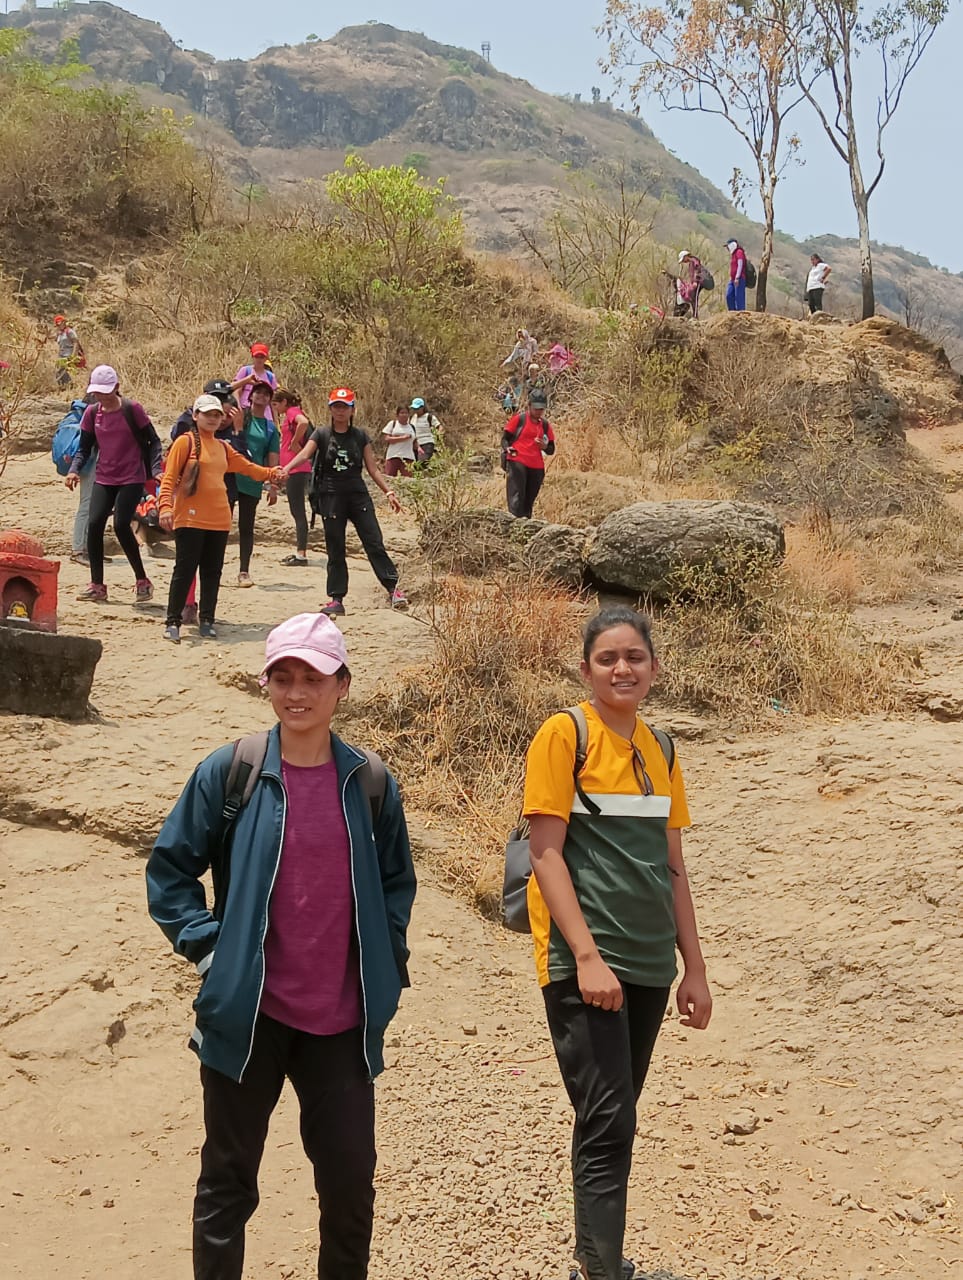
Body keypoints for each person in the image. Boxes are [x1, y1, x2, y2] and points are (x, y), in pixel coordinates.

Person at [146, 611, 416, 1279]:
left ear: (342, 686)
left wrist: (384, 963)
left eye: (313, 678)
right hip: (248, 1016)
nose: (297, 693)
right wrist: (210, 951)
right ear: (266, 684)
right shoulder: (230, 771)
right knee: (227, 1185)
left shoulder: (369, 782)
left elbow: (395, 886)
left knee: (350, 1188)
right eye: (283, 677)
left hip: (340, 1024)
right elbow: (171, 870)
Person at [522, 607, 712, 1280]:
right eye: (607, 659)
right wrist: (584, 956)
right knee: (607, 1118)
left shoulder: (659, 748)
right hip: (587, 962)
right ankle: (600, 1271)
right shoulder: (564, 734)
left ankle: (598, 1262)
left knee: (615, 1115)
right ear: (585, 669)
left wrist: (694, 967)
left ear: (654, 669)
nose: (621, 668)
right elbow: (545, 856)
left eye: (634, 657)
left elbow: (673, 866)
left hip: (649, 961)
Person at [158, 394, 285, 643]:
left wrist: (272, 473)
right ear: (195, 416)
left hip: (218, 518)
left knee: (212, 572)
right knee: (184, 570)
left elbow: (248, 468)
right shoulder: (185, 443)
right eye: (207, 414)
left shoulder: (223, 447)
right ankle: (173, 621)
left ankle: (207, 619)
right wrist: (165, 507)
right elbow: (169, 477)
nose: (213, 419)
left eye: (217, 415)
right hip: (190, 518)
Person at [280, 387, 406, 616]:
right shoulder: (321, 434)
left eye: (344, 406)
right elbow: (305, 454)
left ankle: (394, 589)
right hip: (330, 496)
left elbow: (372, 469)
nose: (340, 411)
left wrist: (388, 492)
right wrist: (286, 469)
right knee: (335, 548)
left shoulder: (360, 436)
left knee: (374, 541)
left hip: (357, 495)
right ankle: (336, 599)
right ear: (330, 408)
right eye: (336, 406)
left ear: (352, 410)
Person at [65, 365, 162, 603]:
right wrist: (74, 470)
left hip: (131, 476)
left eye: (105, 391)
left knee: (120, 524)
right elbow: (85, 448)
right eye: (97, 392)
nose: (101, 396)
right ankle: (97, 585)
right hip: (105, 476)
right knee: (95, 523)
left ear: (116, 388)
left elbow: (154, 441)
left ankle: (142, 580)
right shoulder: (91, 413)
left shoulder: (132, 410)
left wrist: (157, 469)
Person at [235, 381, 281, 587]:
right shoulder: (240, 416)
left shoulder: (270, 429)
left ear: (270, 400)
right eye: (258, 392)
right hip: (229, 477)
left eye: (266, 394)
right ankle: (213, 565)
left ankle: (243, 571)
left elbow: (272, 458)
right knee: (218, 524)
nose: (261, 396)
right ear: (250, 396)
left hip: (252, 481)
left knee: (246, 526)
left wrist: (273, 485)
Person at [502, 388, 555, 520]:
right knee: (516, 499)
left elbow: (551, 449)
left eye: (541, 409)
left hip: (536, 466)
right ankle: (514, 526)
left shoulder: (545, 425)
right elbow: (505, 438)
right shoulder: (519, 419)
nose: (538, 412)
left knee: (528, 501)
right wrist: (507, 448)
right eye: (536, 408)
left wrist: (544, 446)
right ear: (529, 405)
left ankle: (525, 527)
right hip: (517, 460)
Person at [274, 387, 313, 567]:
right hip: (295, 468)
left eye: (276, 404)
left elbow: (303, 422)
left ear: (284, 402)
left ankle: (301, 554)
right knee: (296, 510)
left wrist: (295, 442)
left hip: (296, 468)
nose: (275, 408)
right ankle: (300, 552)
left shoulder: (292, 412)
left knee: (298, 511)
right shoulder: (291, 413)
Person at [232, 342, 278, 415]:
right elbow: (236, 390)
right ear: (252, 357)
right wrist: (238, 408)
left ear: (266, 358)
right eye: (257, 356)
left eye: (262, 357)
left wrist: (275, 421)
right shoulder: (245, 371)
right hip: (246, 410)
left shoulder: (270, 376)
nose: (259, 359)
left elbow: (273, 400)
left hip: (265, 413)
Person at [382, 404, 417, 478]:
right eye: (402, 413)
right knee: (389, 478)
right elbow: (387, 438)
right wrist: (402, 438)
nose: (404, 415)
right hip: (394, 456)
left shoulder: (412, 427)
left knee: (408, 480)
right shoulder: (393, 424)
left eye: (406, 413)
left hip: (408, 457)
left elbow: (414, 442)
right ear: (397, 415)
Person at [54, 315, 85, 390]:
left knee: (62, 371)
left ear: (64, 322)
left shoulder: (70, 331)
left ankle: (70, 386)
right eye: (57, 323)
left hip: (68, 355)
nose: (59, 325)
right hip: (61, 355)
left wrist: (73, 356)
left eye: (60, 322)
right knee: (58, 372)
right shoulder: (60, 334)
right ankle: (64, 387)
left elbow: (75, 343)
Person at [409, 396, 441, 464]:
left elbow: (439, 427)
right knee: (414, 464)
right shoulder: (412, 418)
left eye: (417, 408)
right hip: (416, 444)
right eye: (414, 408)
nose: (415, 410)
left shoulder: (429, 417)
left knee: (422, 462)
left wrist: (437, 437)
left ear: (422, 407)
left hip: (427, 442)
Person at [674, 250, 703, 319]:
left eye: (683, 259)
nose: (684, 261)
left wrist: (695, 281)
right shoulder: (691, 263)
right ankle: (695, 315)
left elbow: (697, 271)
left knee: (695, 298)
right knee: (693, 298)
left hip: (698, 282)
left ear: (685, 256)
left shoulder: (694, 261)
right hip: (694, 282)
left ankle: (695, 316)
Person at [725, 239, 747, 312]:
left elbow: (740, 265)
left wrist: (737, 277)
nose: (727, 248)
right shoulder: (733, 254)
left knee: (739, 297)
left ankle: (741, 313)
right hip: (732, 279)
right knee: (729, 295)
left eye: (727, 246)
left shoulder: (739, 252)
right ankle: (732, 312)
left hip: (739, 278)